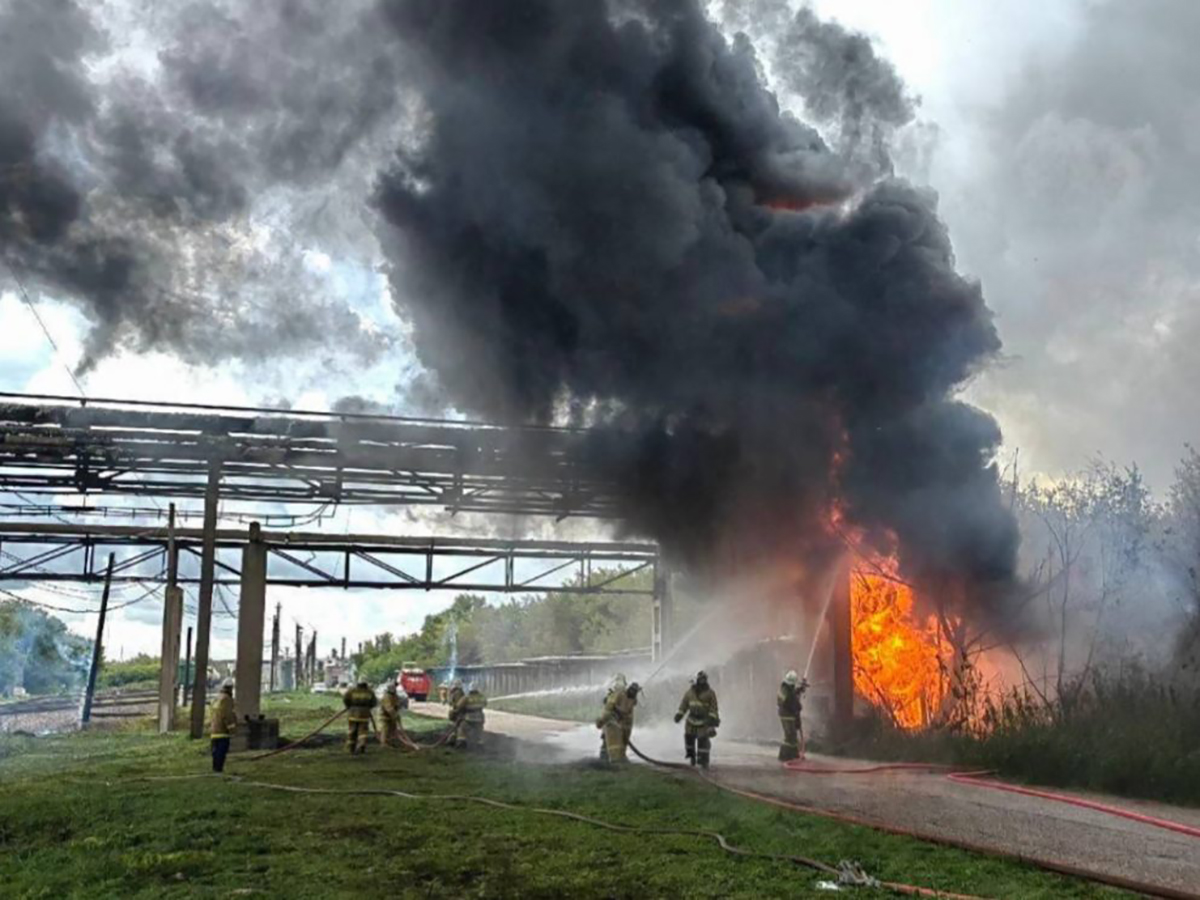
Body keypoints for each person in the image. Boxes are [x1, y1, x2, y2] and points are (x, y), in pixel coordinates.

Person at [674, 670, 719, 768]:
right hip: (691, 721)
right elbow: (684, 705)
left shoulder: (710, 693)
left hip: (704, 722)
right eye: (701, 679)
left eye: (704, 679)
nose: (702, 681)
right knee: (689, 739)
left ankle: (703, 761)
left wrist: (712, 720)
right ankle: (692, 757)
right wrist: (679, 715)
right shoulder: (689, 693)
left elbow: (713, 708)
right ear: (697, 680)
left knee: (703, 741)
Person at [595, 674, 639, 763]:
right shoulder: (616, 696)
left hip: (619, 728)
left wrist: (632, 696)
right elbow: (607, 712)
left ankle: (609, 759)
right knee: (613, 748)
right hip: (613, 727)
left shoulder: (625, 697)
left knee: (614, 747)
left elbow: (628, 709)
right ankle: (611, 761)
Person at [777, 670, 808, 761]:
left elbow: (793, 694)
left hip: (787, 714)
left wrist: (800, 690)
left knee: (792, 736)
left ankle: (793, 754)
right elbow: (791, 702)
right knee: (790, 737)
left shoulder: (785, 688)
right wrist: (798, 707)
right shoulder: (787, 691)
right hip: (788, 715)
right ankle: (785, 755)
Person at [209, 680, 237, 773]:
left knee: (215, 752)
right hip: (223, 731)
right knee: (221, 751)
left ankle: (215, 768)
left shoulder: (217, 699)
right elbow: (227, 715)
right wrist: (232, 728)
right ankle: (218, 769)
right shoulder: (227, 699)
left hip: (214, 730)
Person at [343, 681, 378, 754]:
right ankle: (361, 745)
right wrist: (367, 708)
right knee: (363, 732)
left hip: (353, 713)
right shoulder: (369, 692)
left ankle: (351, 747)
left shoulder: (352, 691)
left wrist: (349, 706)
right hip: (364, 714)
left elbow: (346, 699)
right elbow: (374, 702)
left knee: (352, 731)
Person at [450, 683, 487, 748]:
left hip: (469, 718)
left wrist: (453, 713)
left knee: (462, 728)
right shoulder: (482, 697)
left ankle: (461, 742)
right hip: (480, 717)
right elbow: (485, 704)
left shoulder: (466, 698)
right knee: (479, 730)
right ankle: (479, 742)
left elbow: (458, 706)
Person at [379, 682, 403, 747]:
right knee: (385, 730)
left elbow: (397, 704)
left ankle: (391, 742)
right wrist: (395, 715)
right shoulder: (386, 696)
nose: (395, 689)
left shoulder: (394, 696)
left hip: (392, 716)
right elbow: (388, 708)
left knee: (393, 730)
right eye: (394, 687)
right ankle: (384, 743)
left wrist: (397, 710)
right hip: (385, 716)